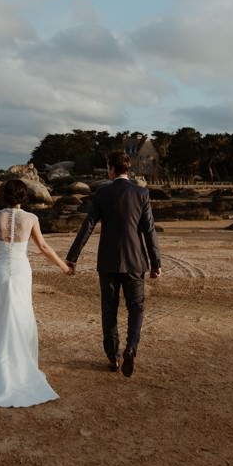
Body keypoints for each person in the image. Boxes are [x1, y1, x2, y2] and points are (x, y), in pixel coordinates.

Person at [0, 179, 73, 407]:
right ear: (24, 196)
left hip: (0, 270)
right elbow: (43, 247)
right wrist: (64, 266)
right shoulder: (31, 219)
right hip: (21, 271)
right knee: (19, 315)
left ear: (4, 195)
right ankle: (18, 365)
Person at [66, 151, 161, 377]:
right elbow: (149, 229)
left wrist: (72, 258)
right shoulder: (141, 193)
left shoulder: (103, 193)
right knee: (136, 307)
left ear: (111, 168)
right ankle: (131, 347)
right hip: (136, 261)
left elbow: (87, 226)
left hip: (107, 262)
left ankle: (113, 357)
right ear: (127, 168)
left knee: (109, 309)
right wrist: (156, 262)